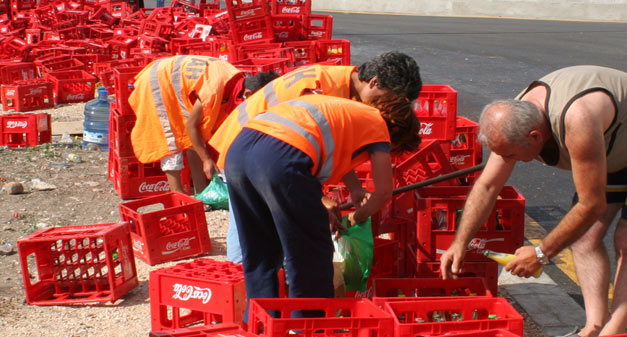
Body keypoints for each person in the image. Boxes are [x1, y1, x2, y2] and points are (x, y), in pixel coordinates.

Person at [440, 65, 627, 337]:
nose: (505, 160)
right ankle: (593, 328)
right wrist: (459, 243)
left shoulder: (577, 121)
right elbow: (487, 185)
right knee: (585, 238)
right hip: (613, 144)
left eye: (510, 155)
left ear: (536, 136)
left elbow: (592, 205)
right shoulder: (514, 116)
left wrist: (540, 253)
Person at [209, 51, 422, 263]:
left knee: (256, 222)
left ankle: (252, 278)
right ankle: (242, 279)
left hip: (252, 145)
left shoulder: (340, 82)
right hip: (249, 145)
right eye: (390, 100)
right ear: (374, 83)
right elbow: (296, 147)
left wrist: (355, 187)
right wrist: (318, 198)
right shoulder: (322, 89)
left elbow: (328, 143)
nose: (387, 109)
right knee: (253, 223)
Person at [225, 93, 420, 310]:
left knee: (261, 251)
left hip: (239, 151)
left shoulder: (349, 110)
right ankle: (308, 328)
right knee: (312, 257)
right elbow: (384, 191)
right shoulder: (379, 126)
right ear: (396, 134)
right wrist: (355, 218)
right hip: (279, 157)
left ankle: (260, 324)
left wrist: (342, 193)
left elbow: (310, 151)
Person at [128, 55, 272, 194]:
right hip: (159, 82)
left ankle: (201, 192)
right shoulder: (213, 92)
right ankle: (178, 197)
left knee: (195, 141)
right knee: (171, 138)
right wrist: (206, 160)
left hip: (176, 82)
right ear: (247, 94)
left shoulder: (234, 78)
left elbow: (197, 133)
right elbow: (191, 127)